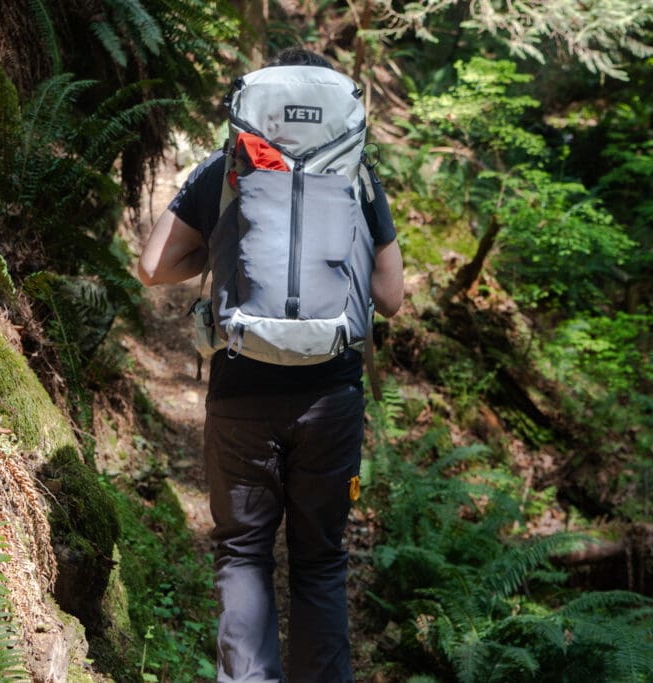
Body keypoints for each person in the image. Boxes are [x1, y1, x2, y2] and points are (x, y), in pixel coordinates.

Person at [138, 47, 403, 683]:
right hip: (331, 398)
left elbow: (151, 268)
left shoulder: (225, 170)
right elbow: (391, 298)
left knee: (243, 555)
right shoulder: (359, 176)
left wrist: (222, 254)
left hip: (241, 394)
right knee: (320, 562)